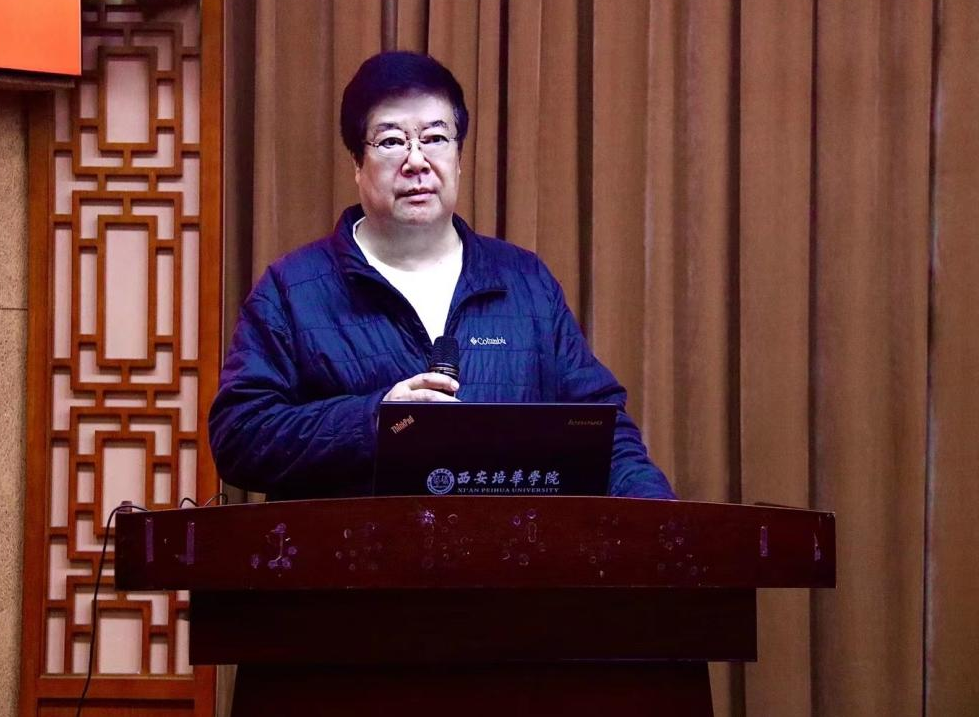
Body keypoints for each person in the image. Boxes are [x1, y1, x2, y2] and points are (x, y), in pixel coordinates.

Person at [208, 51, 675, 500]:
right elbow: (239, 436)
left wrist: (663, 521)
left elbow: (602, 430)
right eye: (392, 141)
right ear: (357, 163)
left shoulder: (525, 282)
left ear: (459, 157)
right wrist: (377, 420)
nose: (417, 161)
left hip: (503, 554)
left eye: (435, 138)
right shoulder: (292, 290)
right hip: (354, 555)